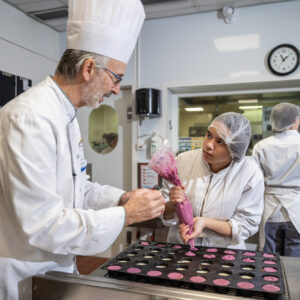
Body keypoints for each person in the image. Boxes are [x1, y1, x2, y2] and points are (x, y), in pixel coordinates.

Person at [0, 0, 166, 299]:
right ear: (89, 68)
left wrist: (121, 197)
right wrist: (125, 215)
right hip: (23, 273)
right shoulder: (30, 117)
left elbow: (79, 188)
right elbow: (42, 224)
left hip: (55, 268)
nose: (116, 89)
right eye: (116, 78)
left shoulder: (66, 116)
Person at [162, 112, 264, 249]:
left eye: (220, 142)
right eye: (209, 135)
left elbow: (246, 225)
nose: (208, 145)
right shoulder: (182, 161)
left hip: (224, 254)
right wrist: (172, 203)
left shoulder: (250, 173)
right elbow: (163, 212)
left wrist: (205, 223)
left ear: (235, 151)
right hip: (180, 247)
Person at [252, 102, 300, 256]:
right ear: (296, 120)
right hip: (297, 208)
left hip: (270, 209)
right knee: (295, 261)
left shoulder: (261, 146)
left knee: (269, 260)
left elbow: (255, 183)